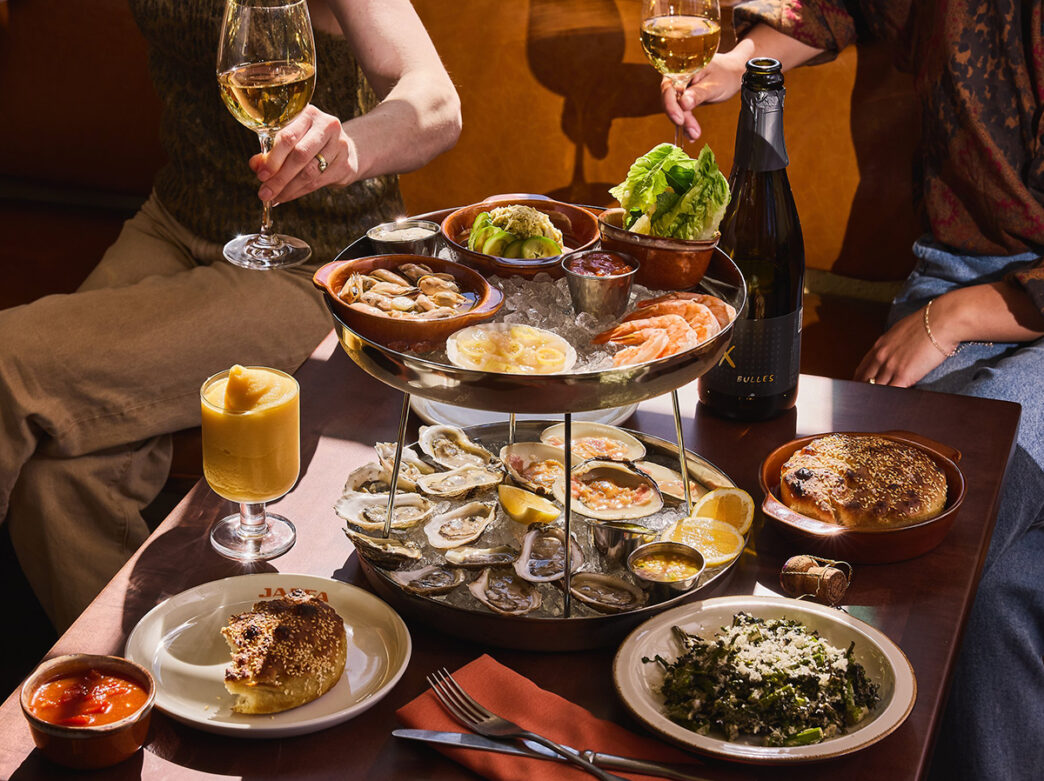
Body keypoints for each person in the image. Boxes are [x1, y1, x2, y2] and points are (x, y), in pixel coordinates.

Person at [661, 3, 1044, 779]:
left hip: (984, 307)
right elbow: (840, 6)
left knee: (956, 515)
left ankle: (774, 707)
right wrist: (741, 61)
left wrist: (953, 318)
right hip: (954, 270)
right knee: (1002, 593)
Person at [0, 0, 460, 631]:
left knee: (7, 361)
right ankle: (147, 697)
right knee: (60, 483)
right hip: (171, 222)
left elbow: (436, 105)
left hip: (309, 259)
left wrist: (347, 147)